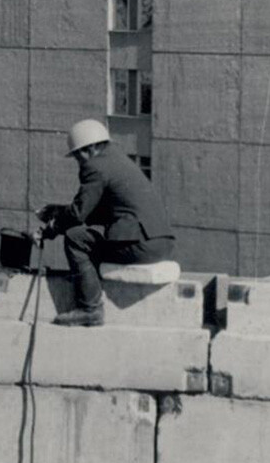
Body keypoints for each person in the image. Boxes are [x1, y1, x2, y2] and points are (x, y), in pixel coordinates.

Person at [37, 119, 176, 327]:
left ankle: (90, 309)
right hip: (161, 243)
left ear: (89, 149)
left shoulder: (95, 166)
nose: (79, 162)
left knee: (76, 238)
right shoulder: (118, 159)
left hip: (140, 246)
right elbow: (99, 210)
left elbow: (78, 215)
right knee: (84, 235)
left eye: (77, 156)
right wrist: (59, 211)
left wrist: (50, 229)